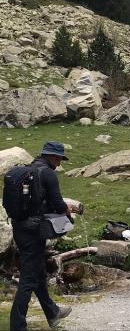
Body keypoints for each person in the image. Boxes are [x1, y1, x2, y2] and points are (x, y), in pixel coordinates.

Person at [10, 141, 73, 331]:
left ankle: (52, 313)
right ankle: (17, 326)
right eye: (59, 159)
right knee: (28, 279)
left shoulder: (27, 170)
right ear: (53, 157)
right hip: (34, 231)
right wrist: (67, 210)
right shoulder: (48, 173)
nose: (60, 163)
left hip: (19, 227)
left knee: (38, 271)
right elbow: (57, 202)